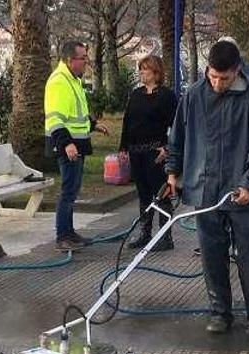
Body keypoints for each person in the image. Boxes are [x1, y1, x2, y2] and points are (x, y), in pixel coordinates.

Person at [165, 40, 249, 334]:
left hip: (240, 194)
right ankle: (219, 312)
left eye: (223, 78)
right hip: (206, 191)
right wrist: (173, 171)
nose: (217, 83)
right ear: (207, 70)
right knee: (212, 254)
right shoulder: (193, 96)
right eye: (212, 76)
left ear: (237, 71)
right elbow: (177, 137)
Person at [45, 41, 110, 252]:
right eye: (82, 58)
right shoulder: (59, 82)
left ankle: (69, 233)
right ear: (69, 60)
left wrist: (93, 125)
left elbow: (77, 113)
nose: (86, 62)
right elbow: (55, 119)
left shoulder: (73, 80)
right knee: (67, 191)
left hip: (77, 145)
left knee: (72, 191)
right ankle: (62, 236)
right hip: (68, 146)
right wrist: (66, 144)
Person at [118, 55, 178, 252]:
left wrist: (167, 147)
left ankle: (165, 235)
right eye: (141, 69)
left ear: (156, 72)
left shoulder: (166, 96)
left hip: (155, 151)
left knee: (161, 193)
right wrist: (123, 147)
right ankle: (145, 232)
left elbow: (177, 126)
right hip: (136, 151)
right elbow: (127, 121)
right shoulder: (136, 95)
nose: (142, 73)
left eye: (145, 69)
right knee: (143, 193)